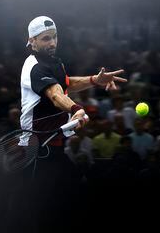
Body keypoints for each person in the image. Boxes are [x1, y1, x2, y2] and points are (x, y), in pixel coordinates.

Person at [19, 15, 127, 230]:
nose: (52, 43)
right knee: (36, 210)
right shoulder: (35, 67)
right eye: (45, 39)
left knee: (71, 193)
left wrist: (95, 80)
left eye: (54, 37)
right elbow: (55, 94)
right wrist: (76, 109)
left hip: (54, 144)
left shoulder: (53, 62)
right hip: (36, 148)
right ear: (32, 41)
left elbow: (66, 83)